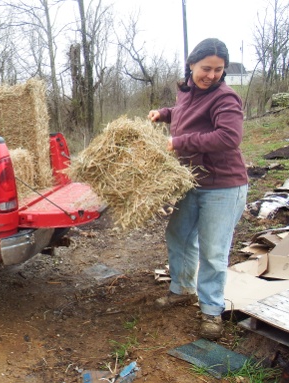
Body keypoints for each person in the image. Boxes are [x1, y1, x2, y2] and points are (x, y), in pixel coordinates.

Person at [148, 38, 248, 340]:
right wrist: (164, 114)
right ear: (191, 65)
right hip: (192, 179)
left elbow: (229, 137)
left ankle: (211, 310)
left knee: (214, 250)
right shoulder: (188, 90)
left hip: (223, 185)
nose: (212, 75)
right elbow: (185, 110)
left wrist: (179, 142)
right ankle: (182, 289)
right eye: (206, 68)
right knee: (178, 235)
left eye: (219, 70)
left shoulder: (226, 98)